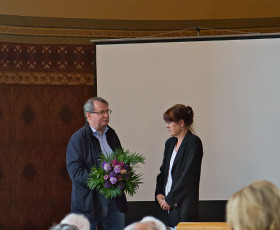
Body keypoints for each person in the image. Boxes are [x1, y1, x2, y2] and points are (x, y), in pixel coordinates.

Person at [66, 97, 127, 230]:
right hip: (88, 203)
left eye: (107, 111)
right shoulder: (78, 139)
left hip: (114, 199)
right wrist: (103, 178)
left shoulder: (112, 135)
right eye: (101, 112)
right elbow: (76, 174)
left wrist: (123, 172)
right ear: (89, 115)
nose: (106, 115)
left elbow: (122, 161)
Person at [155, 104, 203, 229]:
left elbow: (188, 176)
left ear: (181, 123)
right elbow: (163, 172)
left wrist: (170, 200)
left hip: (182, 206)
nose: (167, 126)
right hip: (165, 205)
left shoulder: (194, 143)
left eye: (170, 122)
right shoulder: (170, 143)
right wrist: (159, 193)